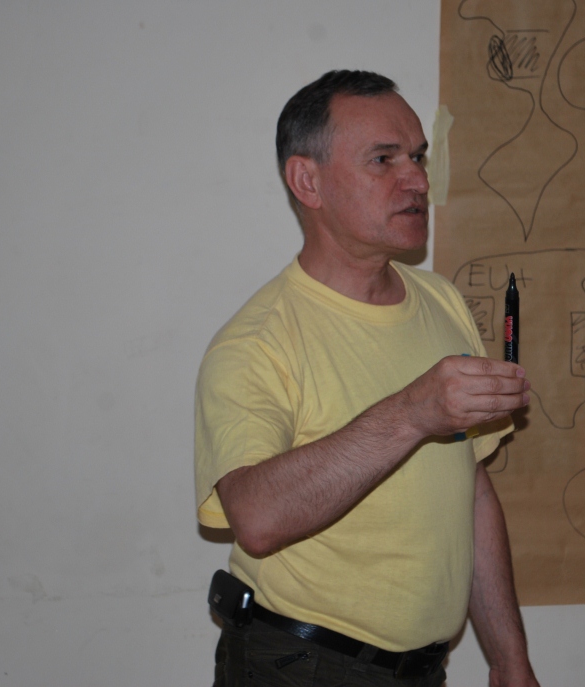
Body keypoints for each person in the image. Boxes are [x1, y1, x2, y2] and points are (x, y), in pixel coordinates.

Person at [195, 69, 539, 687]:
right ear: (308, 181)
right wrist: (412, 414)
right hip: (299, 667)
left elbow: (471, 490)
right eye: (383, 160)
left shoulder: (442, 302)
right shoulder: (257, 342)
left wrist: (510, 659)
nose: (417, 180)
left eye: (418, 157)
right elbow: (256, 519)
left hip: (423, 671)